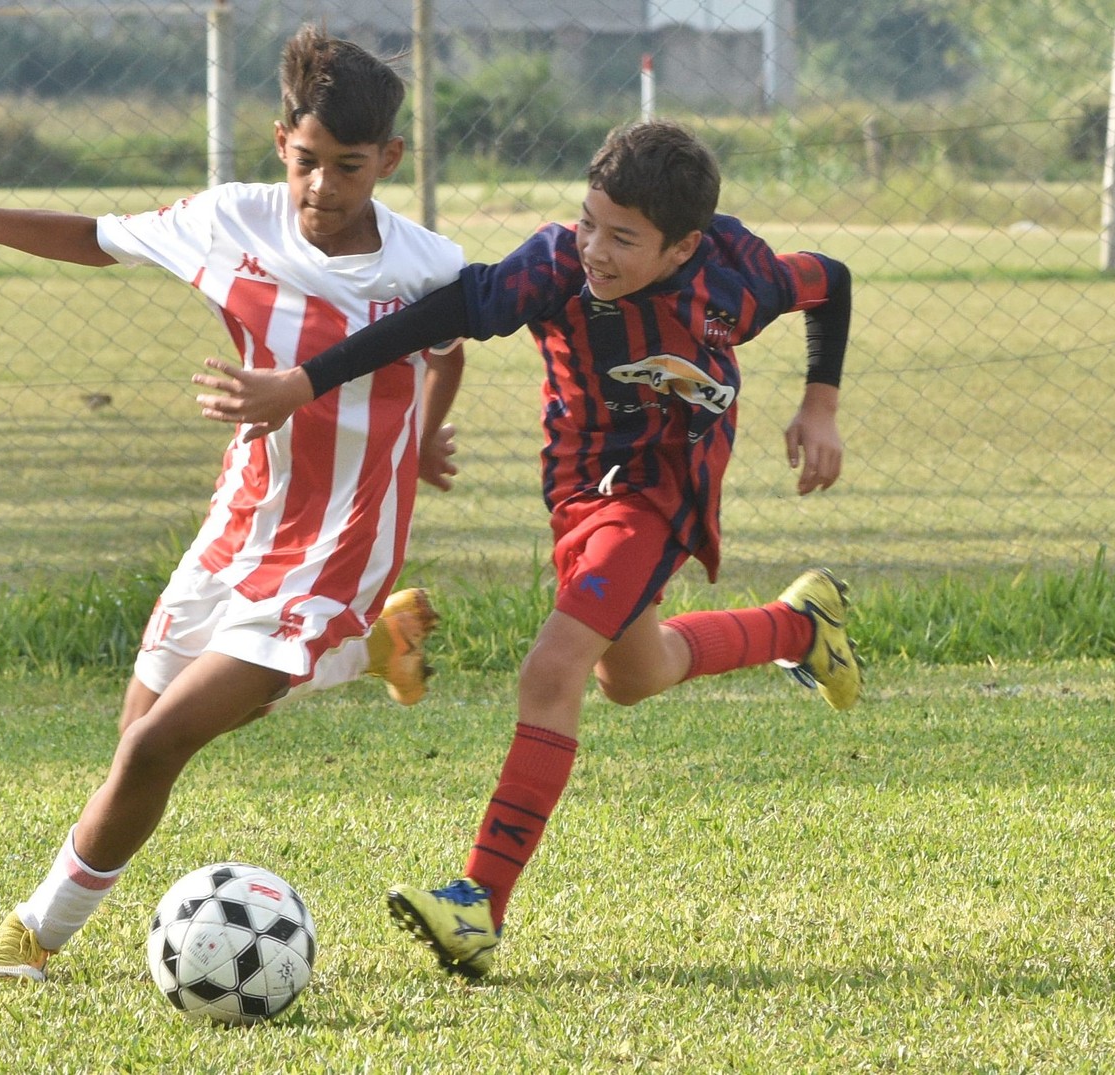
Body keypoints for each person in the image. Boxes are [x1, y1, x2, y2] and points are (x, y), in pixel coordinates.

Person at [194, 119, 863, 980]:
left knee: (551, 669)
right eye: (589, 221)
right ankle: (797, 625)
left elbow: (830, 282)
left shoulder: (738, 272)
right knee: (634, 672)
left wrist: (821, 404)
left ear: (684, 245)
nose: (595, 248)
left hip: (659, 490)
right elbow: (444, 313)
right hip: (577, 490)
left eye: (622, 237)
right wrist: (302, 381)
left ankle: (477, 901)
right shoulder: (553, 267)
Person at [0, 24, 467, 982]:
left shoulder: (428, 266)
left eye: (349, 169)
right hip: (237, 529)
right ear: (282, 142)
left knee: (156, 743)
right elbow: (96, 238)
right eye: (307, 163)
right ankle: (367, 649)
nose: (322, 189)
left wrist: (426, 430)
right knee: (134, 746)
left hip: (339, 546)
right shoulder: (228, 219)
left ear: (388, 160)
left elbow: (450, 343)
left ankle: (30, 938)